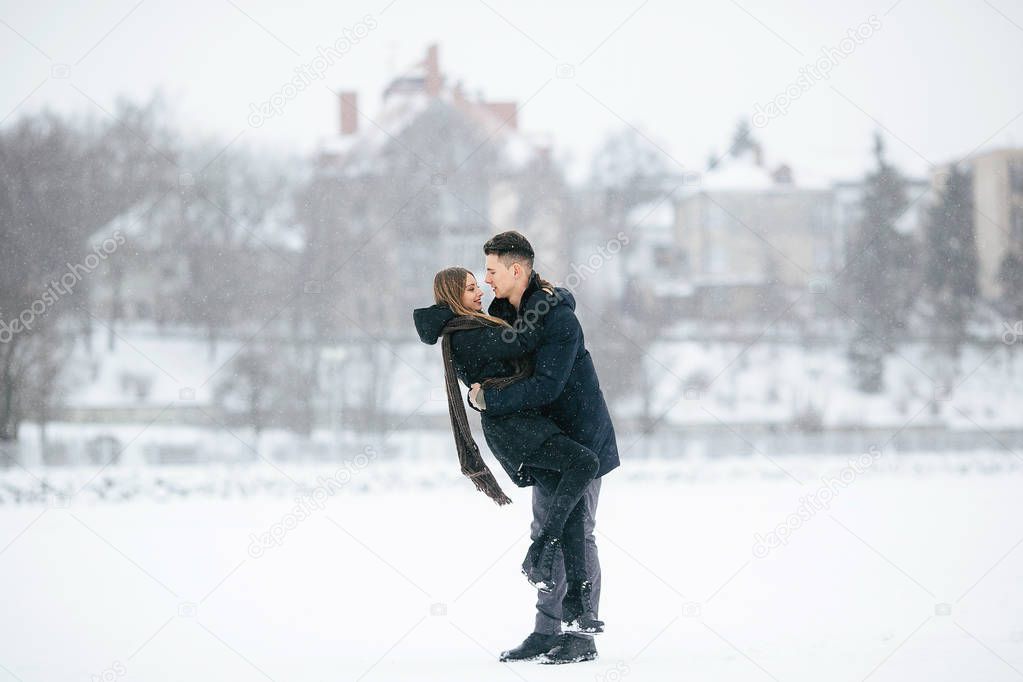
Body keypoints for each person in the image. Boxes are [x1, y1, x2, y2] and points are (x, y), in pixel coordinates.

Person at [413, 267, 605, 642]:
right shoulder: (471, 333)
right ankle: (542, 553)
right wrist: (559, 299)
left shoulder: (467, 327)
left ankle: (574, 614)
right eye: (471, 288)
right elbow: (526, 339)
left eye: (481, 281)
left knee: (574, 518)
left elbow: (513, 336)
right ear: (454, 297)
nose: (480, 290)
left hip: (522, 426)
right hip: (517, 429)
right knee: (583, 467)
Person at [470, 231, 620, 665]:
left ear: (518, 270)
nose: (487, 280)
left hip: (582, 443)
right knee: (544, 532)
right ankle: (546, 631)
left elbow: (545, 385)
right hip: (545, 443)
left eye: (493, 271)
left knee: (578, 533)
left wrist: (491, 399)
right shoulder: (502, 313)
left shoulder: (559, 321)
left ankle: (580, 633)